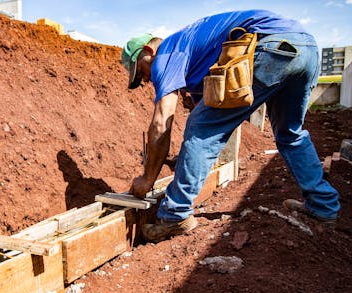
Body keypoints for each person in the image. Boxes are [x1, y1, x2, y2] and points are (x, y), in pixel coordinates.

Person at [121, 9, 340, 243]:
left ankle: (175, 214)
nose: (144, 79)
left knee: (199, 128)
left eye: (141, 71)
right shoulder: (195, 55)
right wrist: (186, 161)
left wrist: (147, 178)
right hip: (306, 47)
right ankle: (323, 206)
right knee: (290, 134)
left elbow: (164, 119)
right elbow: (209, 116)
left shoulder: (166, 53)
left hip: (269, 46)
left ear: (148, 51)